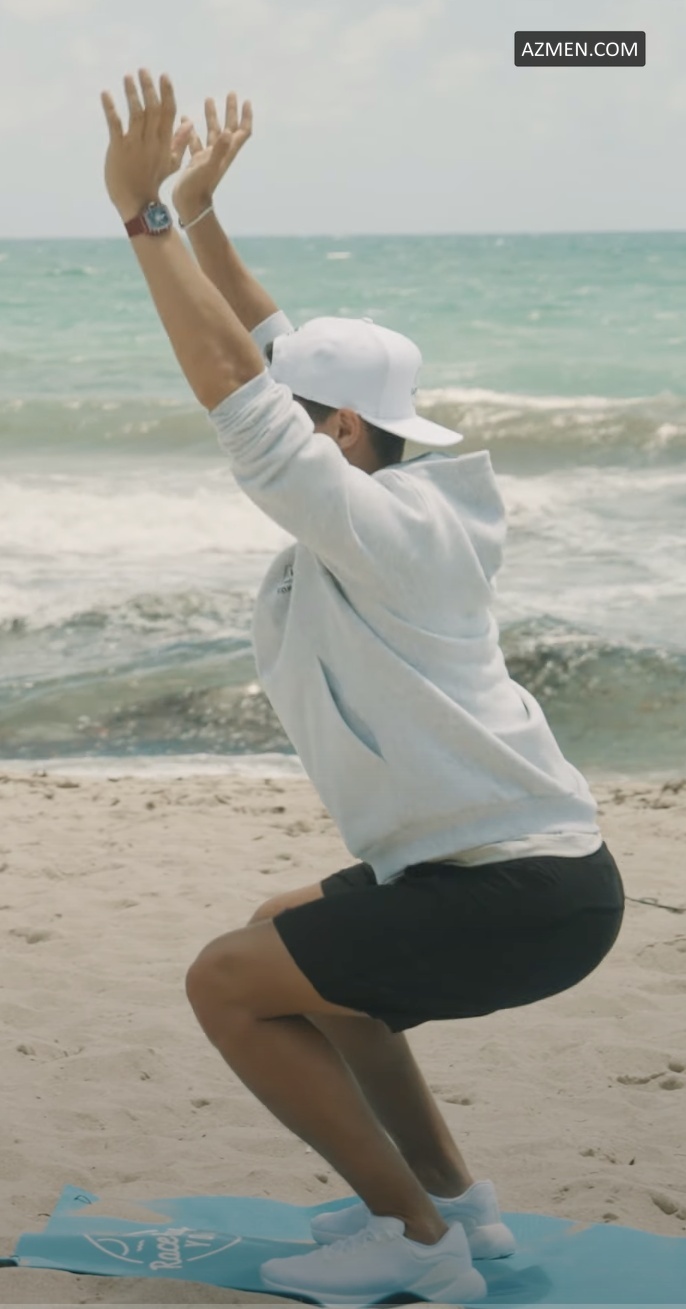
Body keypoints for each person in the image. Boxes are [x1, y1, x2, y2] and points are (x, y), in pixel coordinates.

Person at [100, 72, 626, 1305]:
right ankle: (452, 1203)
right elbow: (269, 348)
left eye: (297, 415)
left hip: (514, 895)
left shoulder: (378, 527)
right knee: (290, 934)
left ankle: (414, 1242)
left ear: (337, 430)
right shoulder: (395, 491)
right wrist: (201, 211)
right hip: (521, 874)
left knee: (225, 981)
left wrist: (142, 217)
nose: (273, 413)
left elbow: (234, 383)